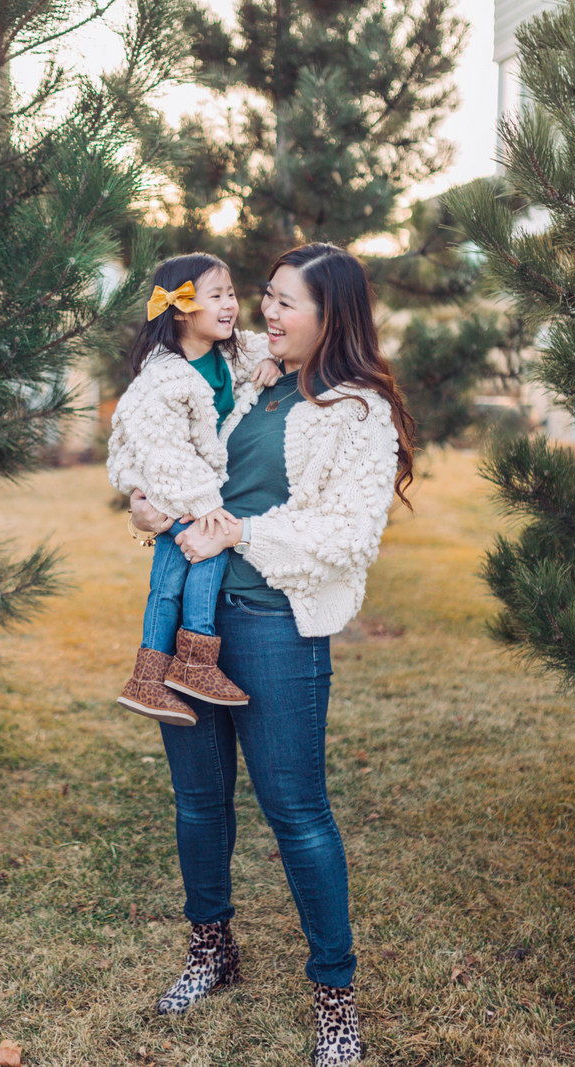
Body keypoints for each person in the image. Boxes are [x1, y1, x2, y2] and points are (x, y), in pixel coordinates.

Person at [129, 243, 416, 1067]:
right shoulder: (247, 377)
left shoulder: (359, 414)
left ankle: (335, 998)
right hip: (193, 615)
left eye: (287, 302)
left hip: (274, 627)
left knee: (296, 813)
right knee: (198, 801)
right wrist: (145, 502)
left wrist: (245, 531)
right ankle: (212, 949)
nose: (267, 313)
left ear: (333, 317)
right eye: (266, 297)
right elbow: (165, 435)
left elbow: (349, 537)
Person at [107, 254, 282, 725]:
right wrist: (205, 504)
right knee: (173, 580)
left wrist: (270, 360)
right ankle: (166, 672)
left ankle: (177, 669)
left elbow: (273, 346)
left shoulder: (231, 351)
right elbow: (163, 450)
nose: (231, 304)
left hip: (201, 486)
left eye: (231, 294)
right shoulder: (165, 374)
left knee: (194, 566)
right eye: (217, 296)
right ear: (183, 309)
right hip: (176, 485)